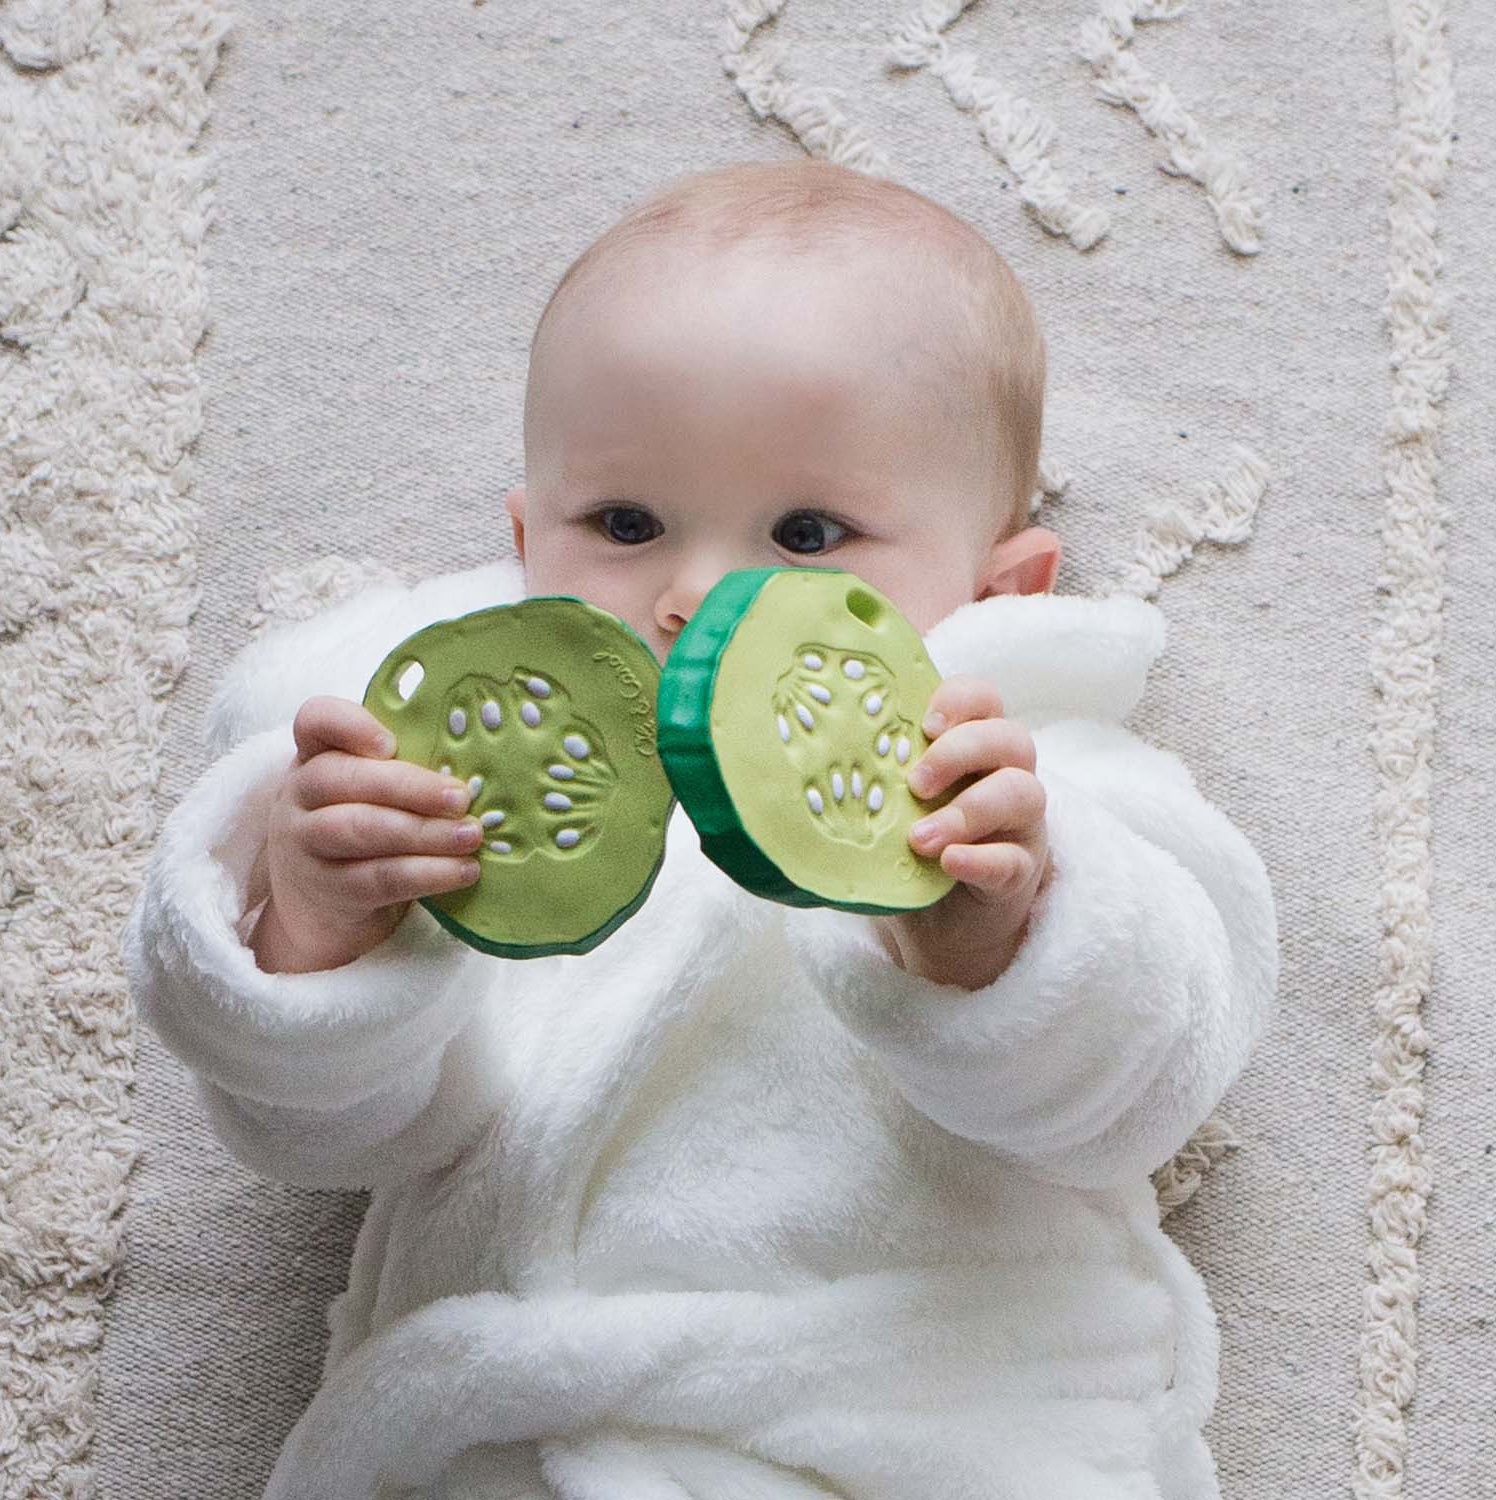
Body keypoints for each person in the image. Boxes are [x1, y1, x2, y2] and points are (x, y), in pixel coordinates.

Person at [123, 158, 1279, 1500]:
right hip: (510, 1426)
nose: (697, 594)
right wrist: (318, 932)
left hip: (936, 1417)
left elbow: (1151, 1082)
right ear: (524, 543)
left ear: (996, 587)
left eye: (808, 532)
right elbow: (328, 1141)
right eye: (625, 523)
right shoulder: (451, 786)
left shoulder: (1038, 770)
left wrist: (1003, 937)